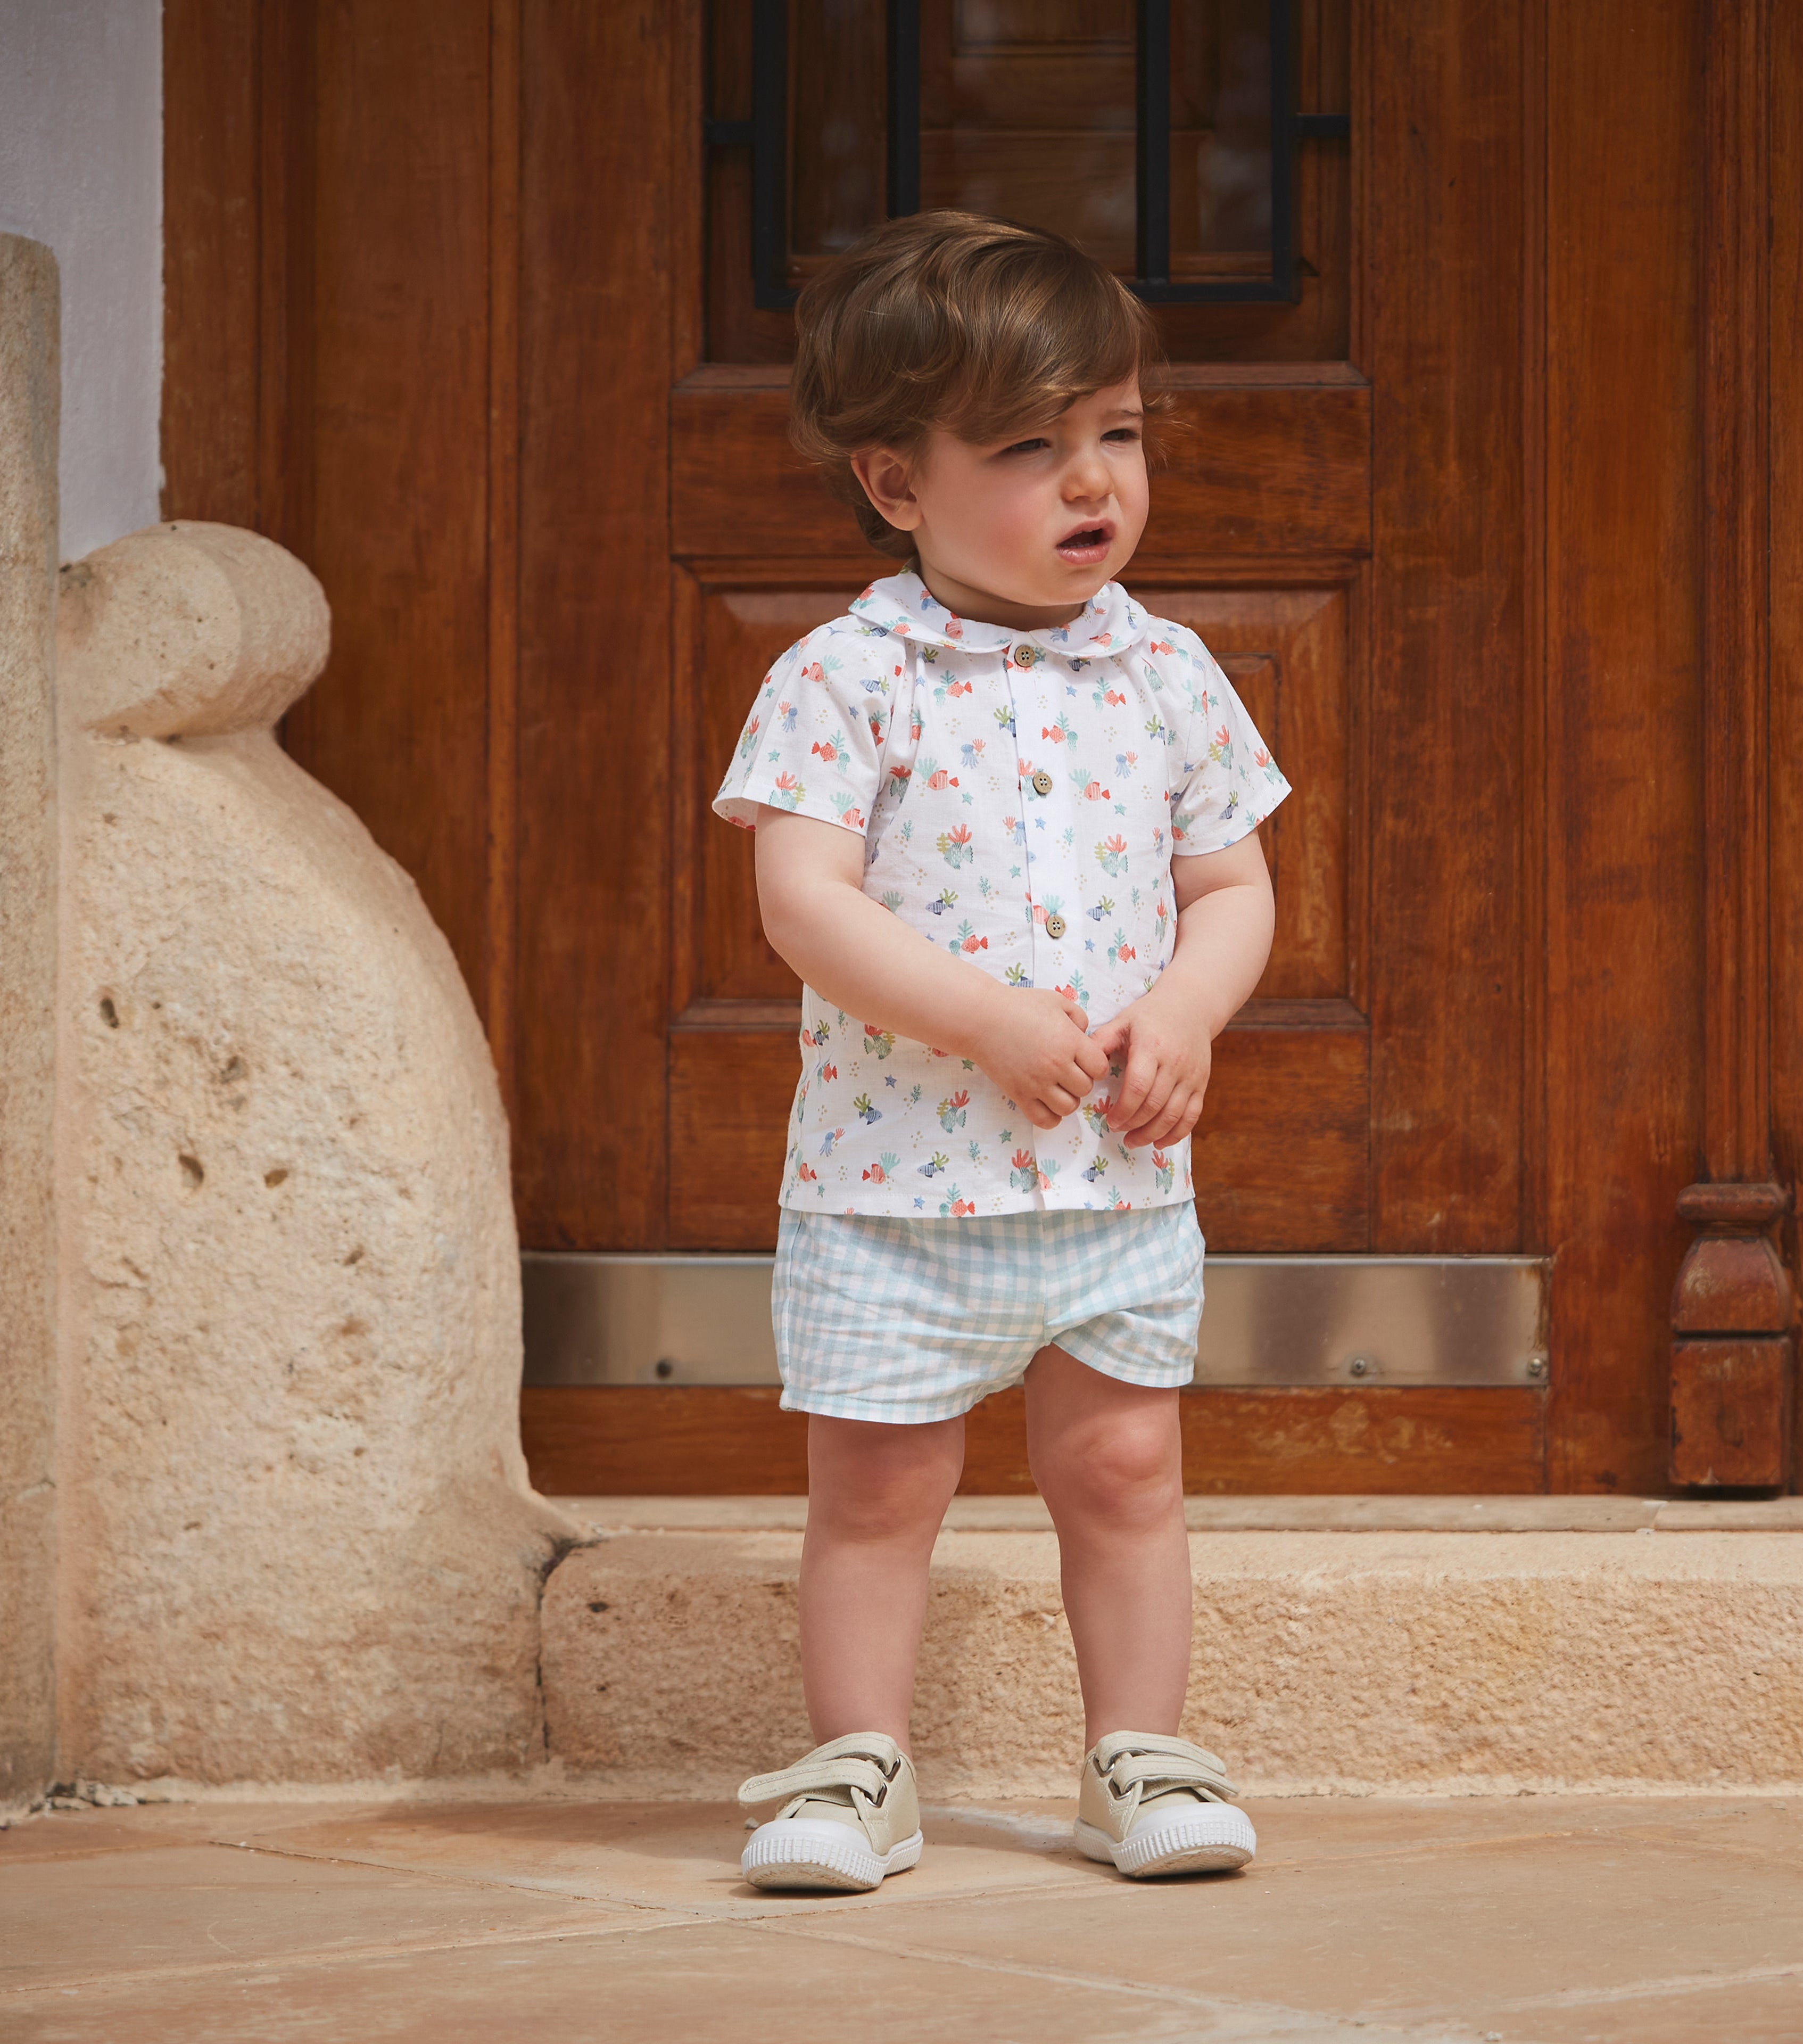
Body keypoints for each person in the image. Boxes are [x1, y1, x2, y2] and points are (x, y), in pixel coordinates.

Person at [712, 210, 1290, 1893]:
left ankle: (1143, 1760)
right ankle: (856, 1772)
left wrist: (1184, 1009)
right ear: (898, 485)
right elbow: (803, 902)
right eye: (1031, 450)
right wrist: (975, 1018)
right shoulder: (850, 673)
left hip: (1110, 1178)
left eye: (1117, 433)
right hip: (894, 1184)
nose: (1092, 481)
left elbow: (1234, 888)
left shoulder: (1167, 675)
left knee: (1122, 1467)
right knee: (879, 1488)